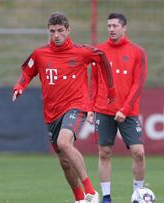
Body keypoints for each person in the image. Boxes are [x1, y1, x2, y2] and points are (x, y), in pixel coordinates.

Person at [12, 12, 116, 203]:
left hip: (76, 106)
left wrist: (111, 90)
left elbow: (102, 57)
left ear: (68, 30)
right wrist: (20, 86)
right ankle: (79, 199)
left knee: (64, 142)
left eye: (60, 31)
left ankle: (91, 192)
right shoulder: (40, 54)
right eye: (52, 31)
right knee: (65, 162)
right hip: (52, 113)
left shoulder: (81, 52)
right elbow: (27, 72)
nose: (56, 35)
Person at [89, 13, 147, 203]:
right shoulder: (99, 51)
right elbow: (95, 82)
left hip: (128, 112)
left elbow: (138, 83)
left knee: (139, 152)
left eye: (115, 25)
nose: (111, 29)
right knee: (104, 152)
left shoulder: (137, 52)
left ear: (124, 28)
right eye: (109, 26)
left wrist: (125, 108)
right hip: (103, 110)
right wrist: (90, 108)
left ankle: (137, 194)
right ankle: (106, 197)